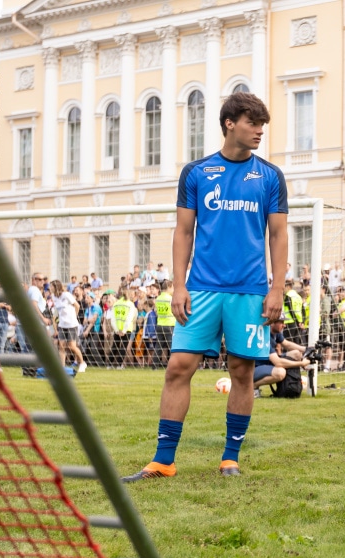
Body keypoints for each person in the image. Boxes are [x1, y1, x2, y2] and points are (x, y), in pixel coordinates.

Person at [122, 92, 287, 482]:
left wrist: (276, 287)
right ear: (230, 123)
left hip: (249, 290)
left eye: (262, 124)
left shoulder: (270, 176)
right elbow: (183, 232)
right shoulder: (196, 173)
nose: (260, 131)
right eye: (252, 123)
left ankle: (230, 457)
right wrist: (179, 286)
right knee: (179, 367)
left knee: (242, 370)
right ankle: (163, 460)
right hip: (202, 288)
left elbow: (278, 236)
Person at [253, 316, 310, 395]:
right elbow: (278, 362)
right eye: (281, 322)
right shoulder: (265, 337)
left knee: (296, 354)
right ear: (272, 323)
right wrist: (301, 364)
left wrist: (306, 349)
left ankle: (289, 387)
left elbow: (287, 344)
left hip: (266, 364)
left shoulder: (275, 333)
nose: (284, 325)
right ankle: (252, 387)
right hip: (253, 369)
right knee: (280, 372)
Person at [49, 279, 87, 372]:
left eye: (51, 286)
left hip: (72, 324)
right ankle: (62, 368)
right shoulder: (54, 297)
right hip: (62, 325)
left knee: (72, 346)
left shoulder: (66, 295)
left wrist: (74, 316)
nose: (49, 288)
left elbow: (77, 305)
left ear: (56, 287)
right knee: (61, 346)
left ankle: (82, 363)